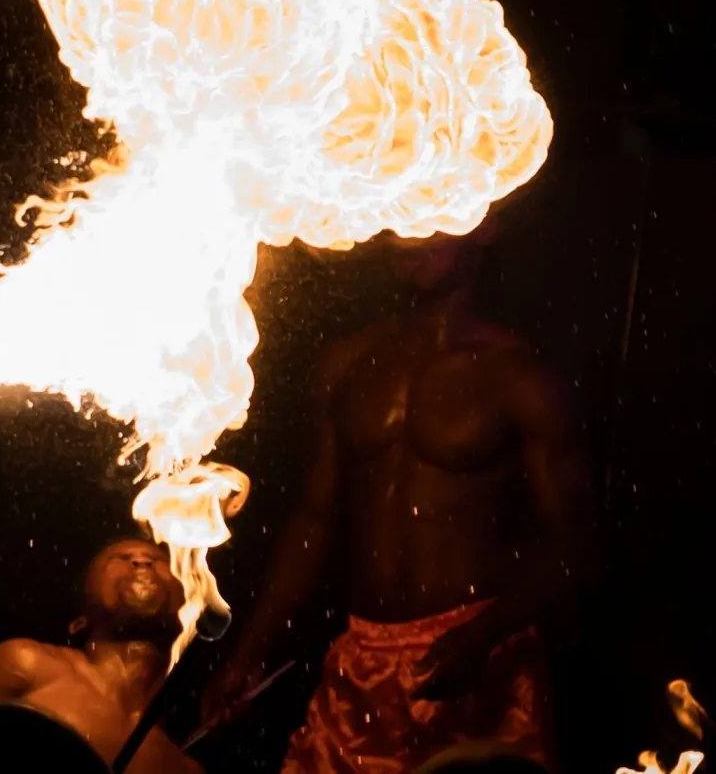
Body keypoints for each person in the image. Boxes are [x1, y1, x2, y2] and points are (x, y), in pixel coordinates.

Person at [203, 217, 594, 773]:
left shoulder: (518, 377)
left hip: (478, 664)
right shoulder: (347, 364)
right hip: (360, 661)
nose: (409, 229)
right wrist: (248, 653)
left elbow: (573, 544)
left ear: (482, 228)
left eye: (432, 210)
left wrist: (485, 634)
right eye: (402, 210)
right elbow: (314, 520)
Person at [0, 537, 203, 774]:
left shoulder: (183, 768)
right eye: (121, 557)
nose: (142, 562)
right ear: (79, 621)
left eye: (159, 561)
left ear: (188, 614)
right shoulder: (24, 665)